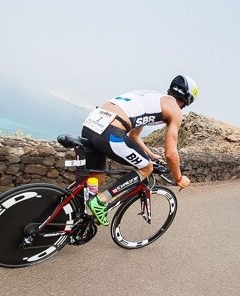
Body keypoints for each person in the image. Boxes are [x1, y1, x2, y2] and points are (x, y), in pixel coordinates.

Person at [81, 75, 199, 226]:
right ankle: (101, 201)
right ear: (188, 99)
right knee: (146, 168)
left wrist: (150, 154)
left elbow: (134, 135)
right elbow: (170, 153)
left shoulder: (153, 98)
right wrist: (179, 178)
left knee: (96, 178)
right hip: (110, 132)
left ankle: (74, 218)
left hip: (92, 123)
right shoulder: (175, 110)